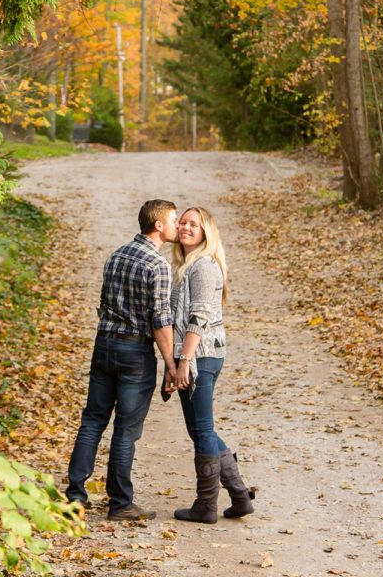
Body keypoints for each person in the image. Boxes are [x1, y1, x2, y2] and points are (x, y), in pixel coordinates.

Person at [66, 199, 179, 521]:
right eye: (173, 220)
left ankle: (75, 496)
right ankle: (120, 503)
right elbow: (160, 319)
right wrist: (171, 363)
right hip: (134, 353)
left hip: (104, 345)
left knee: (92, 421)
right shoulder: (157, 266)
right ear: (158, 225)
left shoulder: (117, 255)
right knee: (126, 430)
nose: (176, 225)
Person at [165, 206, 254, 524]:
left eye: (194, 224)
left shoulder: (202, 265)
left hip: (201, 355)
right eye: (183, 223)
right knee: (199, 428)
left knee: (202, 428)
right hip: (194, 354)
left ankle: (206, 505)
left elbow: (199, 317)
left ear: (206, 232)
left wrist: (185, 360)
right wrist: (172, 363)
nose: (186, 228)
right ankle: (240, 496)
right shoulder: (185, 264)